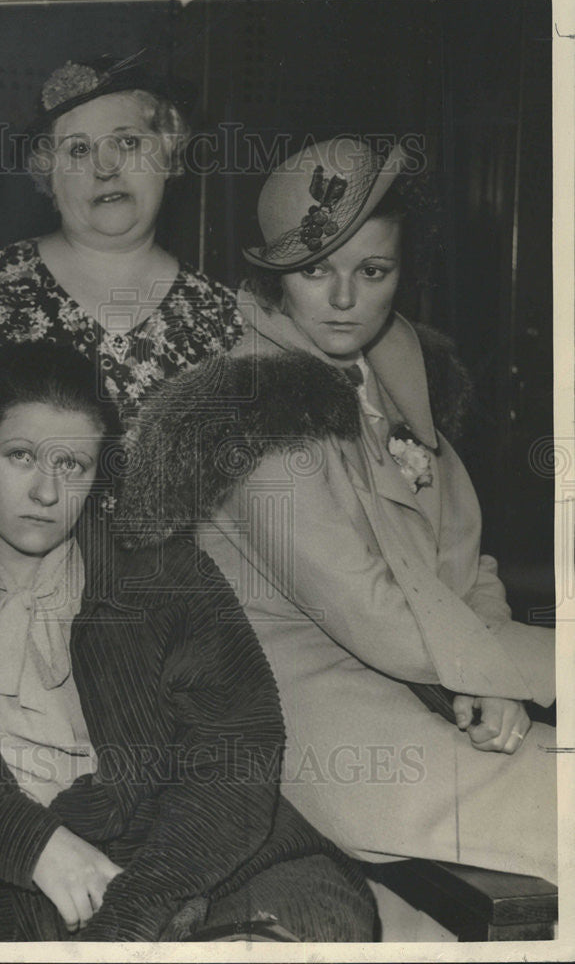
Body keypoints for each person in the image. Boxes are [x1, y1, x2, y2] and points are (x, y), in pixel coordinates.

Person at [118, 137, 557, 884]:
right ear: (273, 278)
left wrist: (491, 678)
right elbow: (374, 617)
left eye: (372, 271)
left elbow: (465, 561)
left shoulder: (396, 372)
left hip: (429, 683)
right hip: (320, 728)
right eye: (315, 271)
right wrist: (514, 672)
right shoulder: (253, 411)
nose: (346, 299)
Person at [0, 340, 376, 943]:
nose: (46, 493)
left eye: (71, 465)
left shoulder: (164, 571)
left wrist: (137, 906)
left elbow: (238, 750)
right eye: (21, 456)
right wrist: (33, 843)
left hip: (213, 856)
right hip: (48, 881)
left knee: (311, 930)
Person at [0, 53, 243, 530]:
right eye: (78, 151)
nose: (105, 167)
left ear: (167, 153)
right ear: (49, 177)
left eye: (127, 141)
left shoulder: (225, 318)